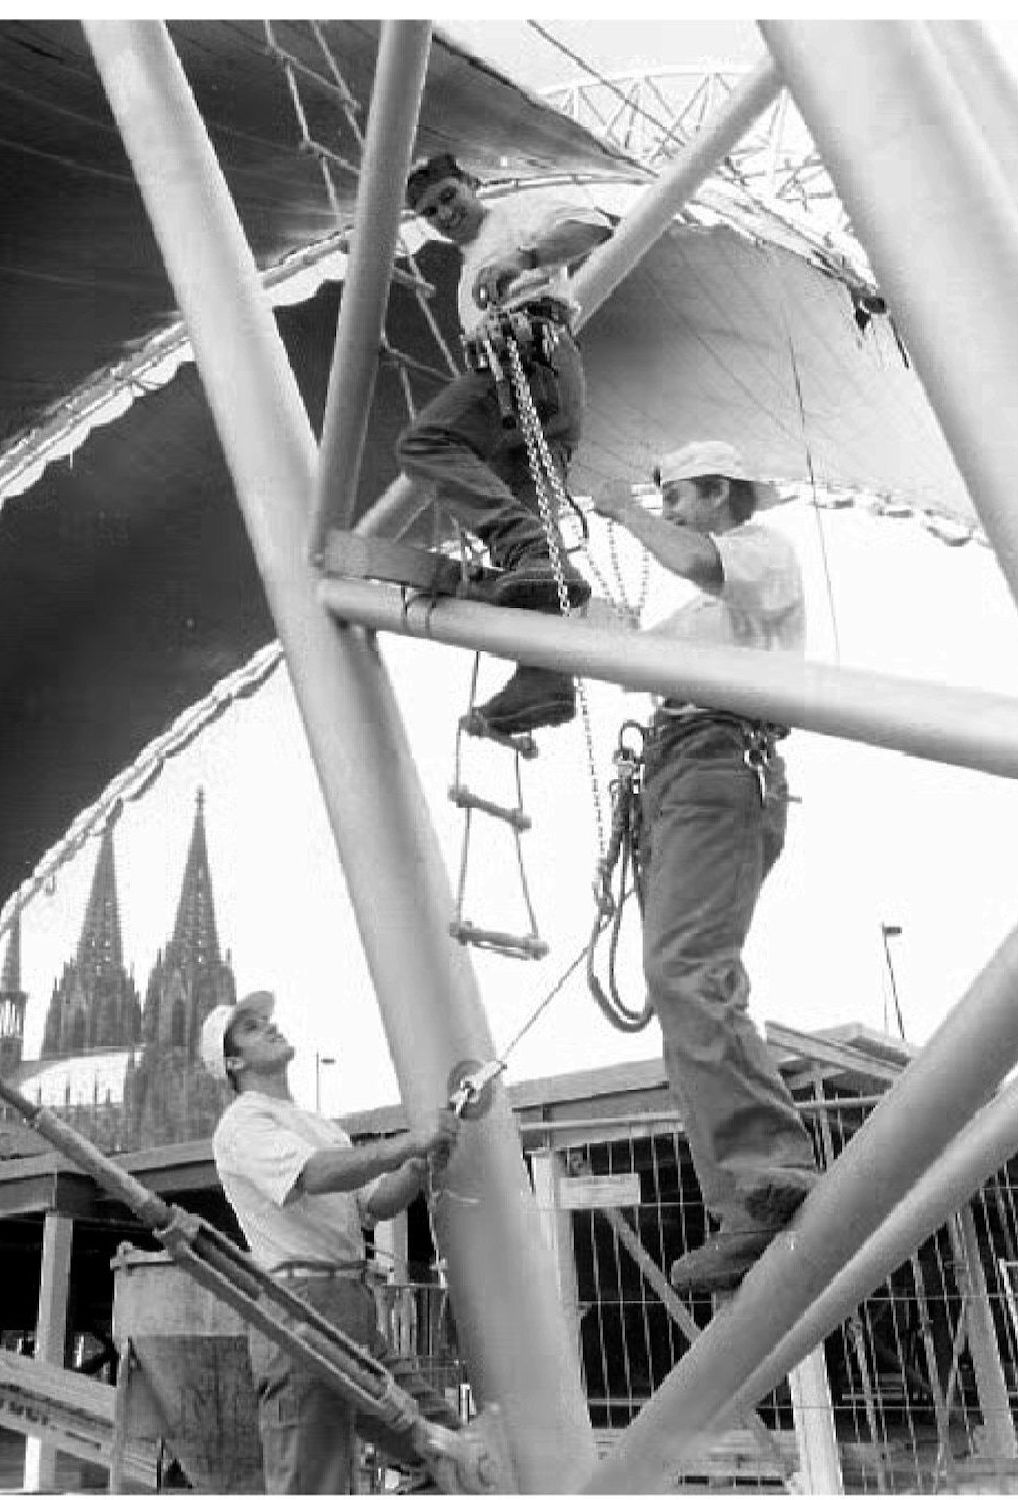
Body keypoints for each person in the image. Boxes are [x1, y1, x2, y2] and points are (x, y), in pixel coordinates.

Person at [588, 441, 821, 1295]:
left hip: (722, 759)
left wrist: (624, 512)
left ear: (721, 493)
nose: (672, 510)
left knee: (686, 967)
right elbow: (629, 654)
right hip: (679, 770)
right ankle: (741, 1199)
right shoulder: (700, 622)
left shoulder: (760, 555)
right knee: (678, 980)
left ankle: (772, 1166)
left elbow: (695, 558)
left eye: (680, 496)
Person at [201, 990, 462, 1494]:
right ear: (233, 1062)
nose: (270, 1027)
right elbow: (314, 1176)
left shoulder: (322, 1128)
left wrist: (420, 1161)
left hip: (351, 1311)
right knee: (312, 1481)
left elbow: (376, 1204)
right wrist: (408, 1141)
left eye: (265, 1021)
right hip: (300, 1312)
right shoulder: (243, 1123)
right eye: (253, 1028)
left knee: (448, 1445)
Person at [396, 153, 612, 737]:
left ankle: (528, 550)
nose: (443, 213)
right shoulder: (468, 273)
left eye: (448, 196)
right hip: (528, 384)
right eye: (429, 211)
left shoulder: (517, 216)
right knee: (531, 540)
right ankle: (544, 678)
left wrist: (526, 258)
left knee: (427, 442)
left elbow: (593, 227)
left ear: (472, 184)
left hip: (531, 361)